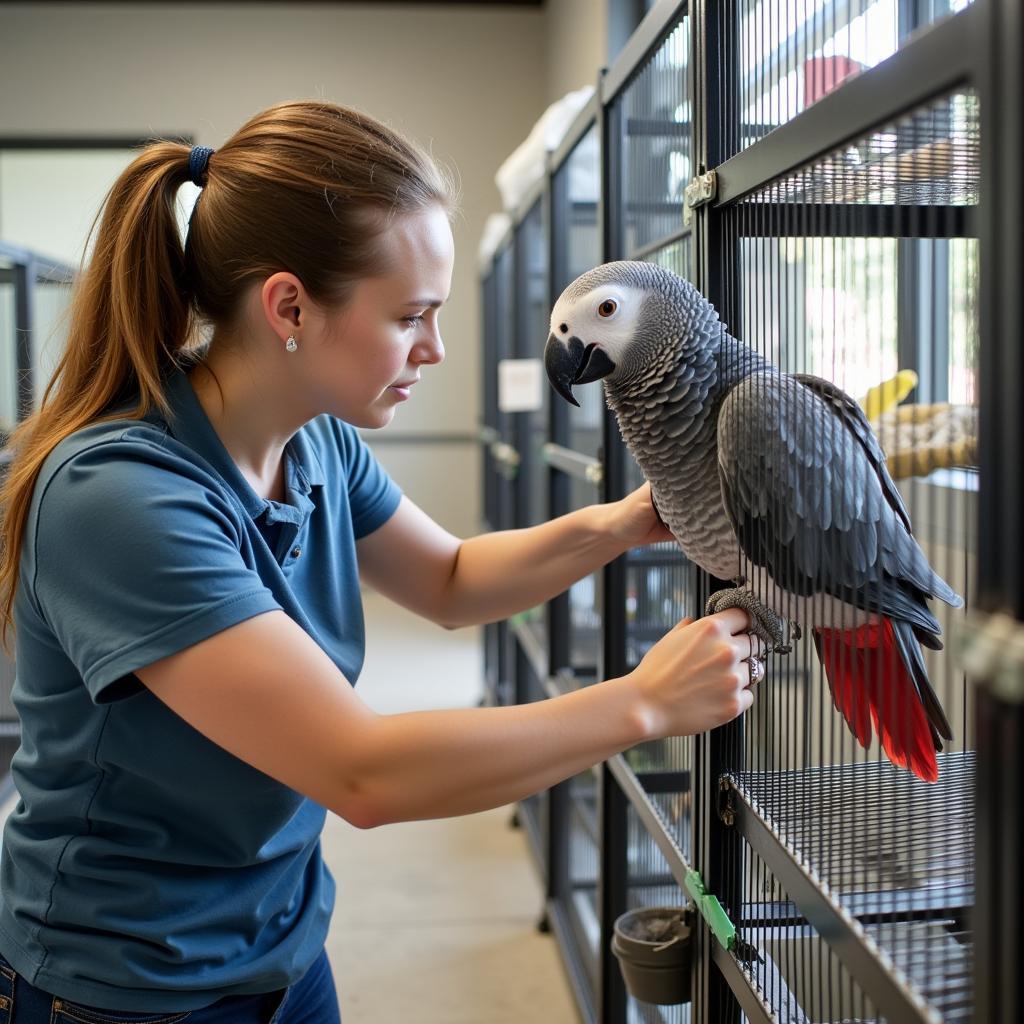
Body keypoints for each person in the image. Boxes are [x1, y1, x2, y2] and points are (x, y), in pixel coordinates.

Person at [0, 100, 760, 1022]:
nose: (435, 351)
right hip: (123, 986)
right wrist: (643, 701)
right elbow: (363, 771)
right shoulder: (119, 500)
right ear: (288, 306)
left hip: (280, 944)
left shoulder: (313, 441)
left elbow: (447, 580)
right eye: (411, 317)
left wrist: (617, 524)